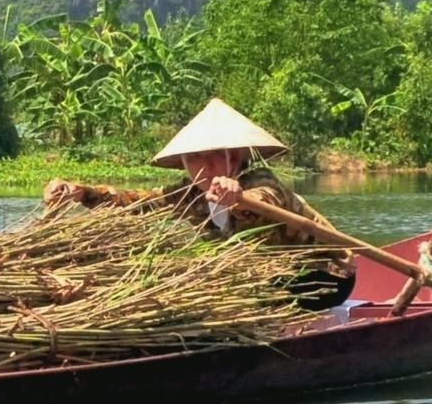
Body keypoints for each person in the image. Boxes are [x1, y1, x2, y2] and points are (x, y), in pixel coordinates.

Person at [40, 97, 356, 310]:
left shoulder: (259, 182)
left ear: (234, 157)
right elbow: (132, 201)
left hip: (323, 277)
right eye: (194, 157)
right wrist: (80, 191)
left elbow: (265, 201)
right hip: (261, 279)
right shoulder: (187, 193)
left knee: (228, 288)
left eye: (214, 154)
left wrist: (237, 199)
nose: (204, 164)